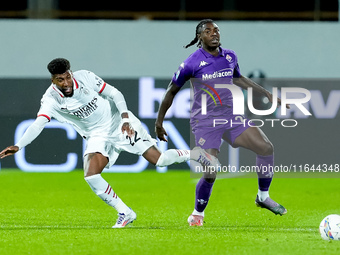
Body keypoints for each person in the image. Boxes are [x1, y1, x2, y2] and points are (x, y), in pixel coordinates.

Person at [0, 58, 192, 228]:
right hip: (96, 135)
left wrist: (125, 119)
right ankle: (125, 212)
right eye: (60, 79)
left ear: (71, 73)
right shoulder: (50, 99)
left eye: (67, 77)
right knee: (91, 175)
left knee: (160, 161)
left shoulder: (85, 77)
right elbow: (38, 124)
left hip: (119, 123)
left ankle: (196, 154)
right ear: (53, 80)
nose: (66, 83)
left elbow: (115, 94)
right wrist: (20, 145)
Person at [155, 19, 287, 227]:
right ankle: (197, 214)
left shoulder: (230, 56)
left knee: (265, 147)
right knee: (211, 170)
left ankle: (262, 197)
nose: (214, 33)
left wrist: (266, 94)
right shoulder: (191, 62)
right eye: (208, 31)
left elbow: (239, 79)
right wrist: (159, 122)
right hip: (206, 120)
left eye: (216, 30)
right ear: (200, 36)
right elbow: (171, 91)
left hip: (232, 117)